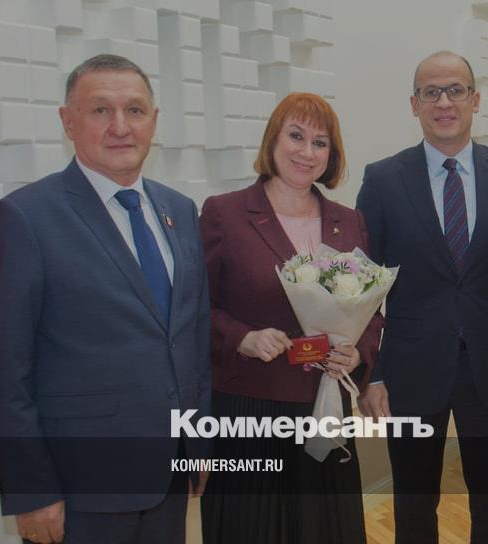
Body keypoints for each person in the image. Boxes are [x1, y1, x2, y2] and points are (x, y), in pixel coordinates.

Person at [0, 54, 211, 544]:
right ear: (68, 121)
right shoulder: (23, 219)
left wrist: (199, 441)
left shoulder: (180, 210)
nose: (120, 127)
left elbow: (192, 338)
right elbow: (4, 370)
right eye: (100, 110)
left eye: (135, 110)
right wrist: (31, 490)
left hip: (170, 474)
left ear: (154, 120)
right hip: (80, 487)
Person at [356, 50, 488, 544]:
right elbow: (363, 288)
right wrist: (373, 374)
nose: (444, 102)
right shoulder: (383, 179)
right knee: (413, 504)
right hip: (410, 371)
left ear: (475, 100)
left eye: (455, 90)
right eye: (430, 92)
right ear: (413, 104)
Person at [199, 92, 381, 544]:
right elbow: (194, 308)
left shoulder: (349, 221)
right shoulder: (225, 213)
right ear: (273, 141)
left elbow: (372, 310)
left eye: (320, 143)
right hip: (249, 408)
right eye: (296, 136)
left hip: (324, 404)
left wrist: (358, 353)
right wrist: (241, 337)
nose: (307, 152)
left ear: (331, 155)